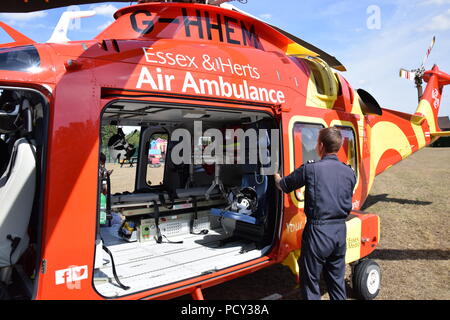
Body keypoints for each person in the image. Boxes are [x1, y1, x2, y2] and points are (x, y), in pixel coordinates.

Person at [274, 127, 356, 300]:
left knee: (310, 282)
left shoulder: (310, 169)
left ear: (320, 146)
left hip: (318, 232)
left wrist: (275, 174)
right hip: (340, 231)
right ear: (339, 147)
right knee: (336, 280)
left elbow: (284, 186)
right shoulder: (349, 172)